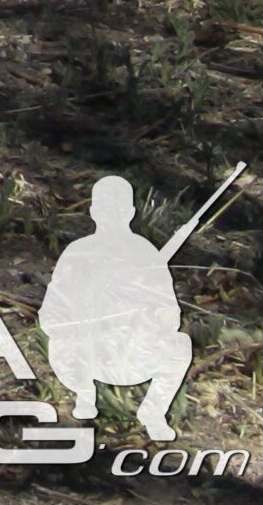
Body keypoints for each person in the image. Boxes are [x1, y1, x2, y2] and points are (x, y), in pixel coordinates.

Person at [39, 172, 198, 439]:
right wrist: (80, 320)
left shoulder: (146, 254)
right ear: (93, 211)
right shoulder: (78, 252)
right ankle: (84, 394)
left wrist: (146, 315)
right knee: (61, 343)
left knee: (180, 344)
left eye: (118, 207)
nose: (111, 213)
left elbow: (171, 315)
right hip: (88, 353)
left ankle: (153, 412)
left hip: (133, 351)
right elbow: (52, 309)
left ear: (130, 212)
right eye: (104, 206)